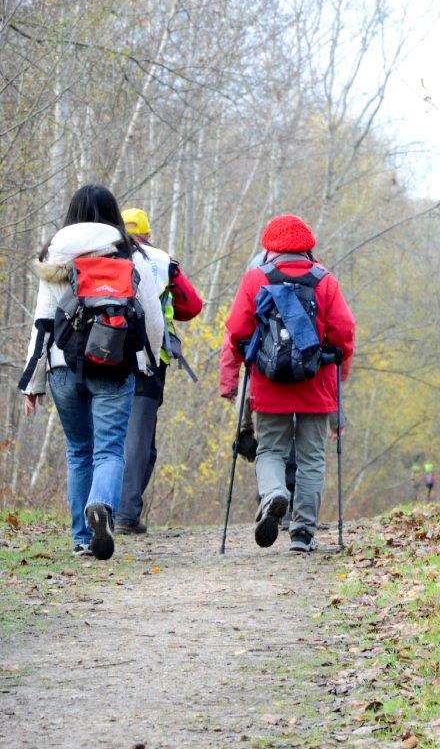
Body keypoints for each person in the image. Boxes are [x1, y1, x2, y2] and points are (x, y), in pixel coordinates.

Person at [18, 185, 165, 559]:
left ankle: (83, 538)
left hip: (62, 366)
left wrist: (32, 383)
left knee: (79, 450)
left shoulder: (53, 256)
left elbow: (42, 325)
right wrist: (148, 360)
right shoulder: (130, 254)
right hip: (113, 363)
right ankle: (101, 505)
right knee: (109, 449)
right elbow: (151, 315)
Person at [219, 214, 355, 553]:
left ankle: (275, 493)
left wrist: (230, 380)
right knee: (311, 458)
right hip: (315, 382)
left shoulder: (256, 279)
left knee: (270, 450)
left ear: (269, 247)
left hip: (270, 382)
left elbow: (235, 331)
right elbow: (344, 332)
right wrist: (340, 374)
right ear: (309, 247)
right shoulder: (325, 281)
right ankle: (302, 534)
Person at [115, 207, 204, 535]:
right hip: (150, 358)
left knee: (108, 432)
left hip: (104, 356)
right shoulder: (161, 260)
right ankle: (125, 514)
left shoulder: (101, 255)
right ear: (148, 234)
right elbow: (192, 306)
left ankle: (97, 506)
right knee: (139, 438)